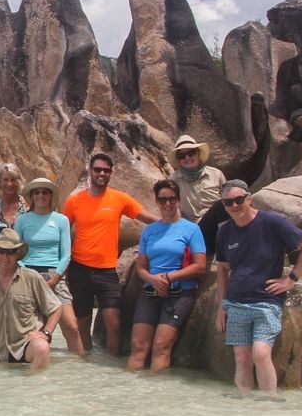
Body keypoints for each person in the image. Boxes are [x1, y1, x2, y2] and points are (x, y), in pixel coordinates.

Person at [213, 180, 302, 393]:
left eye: (239, 200)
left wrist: (291, 279)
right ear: (223, 205)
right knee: (241, 357)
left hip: (266, 301)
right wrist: (221, 305)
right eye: (228, 202)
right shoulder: (224, 232)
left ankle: (269, 404)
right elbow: (223, 269)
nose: (234, 205)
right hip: (236, 302)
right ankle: (246, 407)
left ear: (249, 198)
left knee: (261, 354)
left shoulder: (271, 222)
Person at [62, 152, 156, 356]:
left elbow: (147, 218)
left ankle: (111, 365)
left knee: (114, 321)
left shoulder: (119, 198)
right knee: (83, 321)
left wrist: (176, 225)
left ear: (111, 173)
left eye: (106, 170)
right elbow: (61, 231)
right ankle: (85, 359)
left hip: (107, 270)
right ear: (90, 171)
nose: (102, 173)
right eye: (98, 169)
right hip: (79, 269)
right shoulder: (74, 201)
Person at [127, 178, 208, 373]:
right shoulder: (149, 231)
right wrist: (153, 279)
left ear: (178, 200)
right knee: (139, 345)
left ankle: (157, 397)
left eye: (172, 199)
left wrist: (169, 277)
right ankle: (127, 396)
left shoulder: (192, 230)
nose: (168, 204)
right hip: (150, 291)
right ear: (156, 201)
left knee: (161, 347)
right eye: (162, 200)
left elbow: (200, 266)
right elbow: (141, 268)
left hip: (179, 293)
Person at [0, 228, 64, 371]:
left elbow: (56, 308)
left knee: (42, 349)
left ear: (18, 253)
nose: (5, 256)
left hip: (25, 344)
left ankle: (32, 390)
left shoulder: (32, 277)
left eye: (11, 252)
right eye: (1, 250)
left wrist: (46, 333)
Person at [14, 177, 84, 356]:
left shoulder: (61, 220)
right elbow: (15, 250)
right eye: (36, 192)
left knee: (72, 327)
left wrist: (56, 278)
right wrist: (26, 272)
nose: (41, 196)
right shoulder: (22, 220)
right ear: (31, 196)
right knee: (35, 328)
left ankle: (79, 369)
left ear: (51, 195)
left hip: (55, 275)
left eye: (45, 192)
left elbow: (66, 253)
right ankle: (37, 365)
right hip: (28, 273)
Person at [170, 134, 224, 222]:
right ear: (178, 159)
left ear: (198, 153)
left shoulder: (216, 174)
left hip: (221, 219)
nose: (187, 158)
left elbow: (227, 198)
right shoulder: (173, 181)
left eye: (191, 153)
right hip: (196, 224)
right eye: (182, 156)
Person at [0, 163, 27, 229]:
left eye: (13, 180)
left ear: (19, 181)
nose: (9, 184)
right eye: (5, 180)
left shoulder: (26, 206)